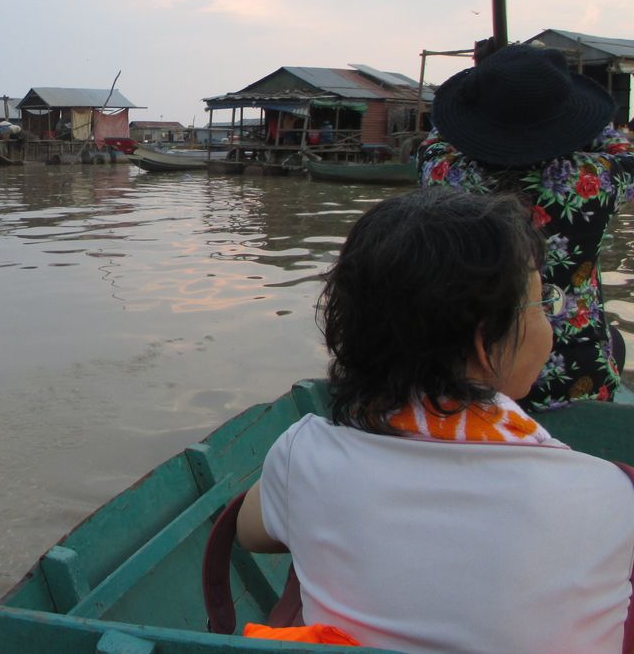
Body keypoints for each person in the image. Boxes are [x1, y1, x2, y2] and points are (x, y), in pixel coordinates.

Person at [236, 187, 634, 653]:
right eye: (542, 302)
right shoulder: (607, 492)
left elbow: (250, 533)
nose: (551, 319)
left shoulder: (303, 455)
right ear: (485, 344)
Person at [421, 42, 634, 410]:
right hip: (574, 382)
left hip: (466, 376)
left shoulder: (443, 172)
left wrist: (483, 86)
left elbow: (441, 132)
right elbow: (622, 151)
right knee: (614, 341)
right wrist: (585, 120)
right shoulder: (596, 179)